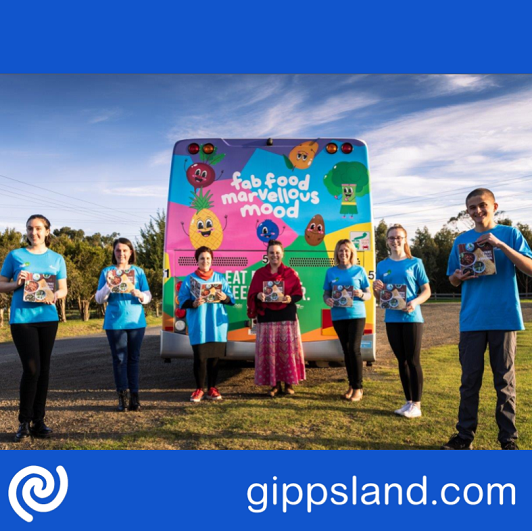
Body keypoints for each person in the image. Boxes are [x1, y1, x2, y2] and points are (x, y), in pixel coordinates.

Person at [441, 188, 532, 450]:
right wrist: (459, 275)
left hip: (503, 318)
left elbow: (529, 267)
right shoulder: (461, 240)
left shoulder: (510, 234)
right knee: (469, 381)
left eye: (482, 205)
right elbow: (452, 279)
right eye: (472, 207)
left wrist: (501, 246)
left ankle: (508, 440)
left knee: (504, 381)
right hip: (472, 319)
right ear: (467, 211)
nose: (478, 211)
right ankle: (464, 437)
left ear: (494, 206)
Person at [0, 214, 68, 442]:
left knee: (44, 369)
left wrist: (55, 296)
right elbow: (1, 285)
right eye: (30, 228)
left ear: (47, 231)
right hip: (22, 319)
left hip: (47, 318)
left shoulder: (56, 259)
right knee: (31, 369)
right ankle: (23, 422)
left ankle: (39, 421)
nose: (33, 232)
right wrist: (16, 284)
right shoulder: (15, 256)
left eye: (38, 228)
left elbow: (63, 289)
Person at [373, 224, 431, 418]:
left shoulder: (415, 262)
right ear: (387, 241)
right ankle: (408, 402)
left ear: (405, 239)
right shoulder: (382, 266)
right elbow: (379, 298)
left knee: (413, 360)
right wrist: (377, 288)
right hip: (392, 318)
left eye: (399, 237)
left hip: (412, 318)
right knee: (402, 361)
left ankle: (417, 404)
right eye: (391, 238)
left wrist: (414, 302)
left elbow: (426, 291)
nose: (395, 240)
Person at [95, 238, 152, 412]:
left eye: (125, 250)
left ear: (131, 252)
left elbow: (148, 297)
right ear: (114, 252)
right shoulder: (107, 272)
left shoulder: (138, 272)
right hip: (115, 323)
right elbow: (98, 299)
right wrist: (108, 287)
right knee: (119, 359)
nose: (121, 254)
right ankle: (122, 398)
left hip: (136, 322)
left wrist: (140, 294)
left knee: (133, 359)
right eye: (118, 250)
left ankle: (135, 397)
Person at [247, 239, 305, 397]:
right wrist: (258, 295)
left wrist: (289, 298)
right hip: (267, 317)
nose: (274, 256)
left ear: (282, 254)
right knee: (270, 353)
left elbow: (298, 294)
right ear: (267, 255)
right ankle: (274, 384)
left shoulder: (290, 273)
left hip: (286, 317)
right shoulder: (260, 274)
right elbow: (251, 294)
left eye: (277, 253)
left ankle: (289, 384)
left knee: (287, 352)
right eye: (271, 253)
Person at [178, 246, 235, 402]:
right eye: (202, 258)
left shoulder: (220, 278)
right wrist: (193, 303)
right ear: (197, 260)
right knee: (200, 358)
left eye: (208, 258)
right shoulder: (190, 280)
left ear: (212, 260)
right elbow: (181, 301)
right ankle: (199, 389)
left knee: (215, 358)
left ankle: (212, 388)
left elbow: (232, 299)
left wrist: (224, 297)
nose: (205, 261)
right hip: (199, 324)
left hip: (217, 325)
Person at [323, 239, 371, 402]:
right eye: (340, 251)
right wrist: (327, 300)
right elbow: (326, 294)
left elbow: (369, 294)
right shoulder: (331, 272)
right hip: (338, 316)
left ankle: (358, 388)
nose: (343, 253)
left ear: (351, 253)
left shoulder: (359, 270)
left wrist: (361, 295)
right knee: (346, 351)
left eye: (346, 251)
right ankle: (351, 385)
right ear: (336, 253)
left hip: (356, 315)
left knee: (354, 350)